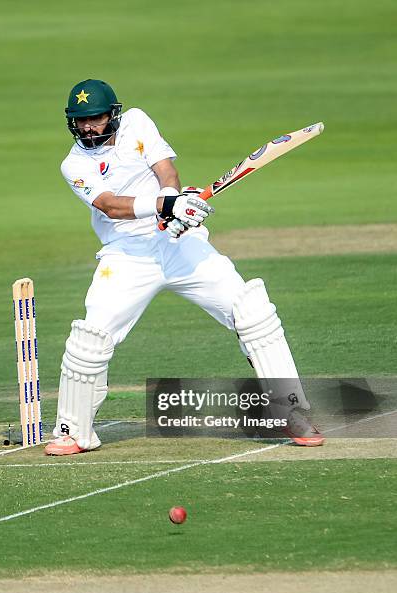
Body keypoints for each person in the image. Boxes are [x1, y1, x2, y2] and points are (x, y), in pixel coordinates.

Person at [44, 78, 324, 455]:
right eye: (81, 121)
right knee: (90, 338)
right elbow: (110, 205)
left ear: (113, 115)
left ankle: (293, 412)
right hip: (127, 253)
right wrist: (164, 207)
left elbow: (166, 171)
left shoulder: (137, 123)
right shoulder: (74, 163)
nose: (88, 127)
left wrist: (177, 205)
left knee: (251, 310)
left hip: (178, 243)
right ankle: (73, 430)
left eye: (95, 118)